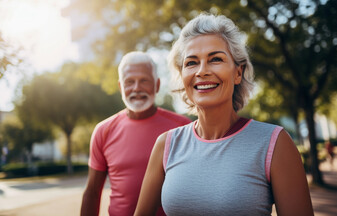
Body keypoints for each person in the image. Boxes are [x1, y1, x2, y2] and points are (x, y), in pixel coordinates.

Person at [135, 14, 314, 216]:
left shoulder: (274, 143)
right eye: (191, 63)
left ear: (238, 72)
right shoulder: (166, 145)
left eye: (216, 59)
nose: (201, 71)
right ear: (182, 75)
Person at [80, 51, 191, 216]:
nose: (137, 88)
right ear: (120, 86)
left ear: (157, 85)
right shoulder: (103, 131)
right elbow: (92, 192)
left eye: (144, 81)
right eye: (129, 82)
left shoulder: (183, 127)